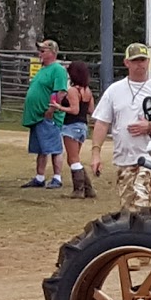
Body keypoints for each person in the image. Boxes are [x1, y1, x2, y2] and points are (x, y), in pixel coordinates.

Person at [90, 43, 151, 211]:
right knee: (128, 209)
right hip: (124, 159)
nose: (140, 65)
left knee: (140, 203)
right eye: (135, 61)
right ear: (126, 63)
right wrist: (95, 153)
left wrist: (150, 127)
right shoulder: (115, 91)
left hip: (150, 160)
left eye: (143, 60)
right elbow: (102, 122)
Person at [22, 39, 68, 189]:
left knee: (54, 147)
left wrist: (51, 109)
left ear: (53, 52)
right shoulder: (43, 69)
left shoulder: (57, 69)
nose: (40, 53)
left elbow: (60, 91)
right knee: (41, 148)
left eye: (43, 50)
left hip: (48, 115)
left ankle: (57, 177)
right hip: (37, 116)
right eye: (40, 50)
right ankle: (39, 177)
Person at [53, 61, 97, 199]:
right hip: (82, 126)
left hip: (71, 125)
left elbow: (74, 109)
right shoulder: (87, 91)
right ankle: (88, 188)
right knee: (75, 158)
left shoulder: (73, 90)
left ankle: (79, 189)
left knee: (73, 159)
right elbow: (90, 110)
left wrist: (59, 107)